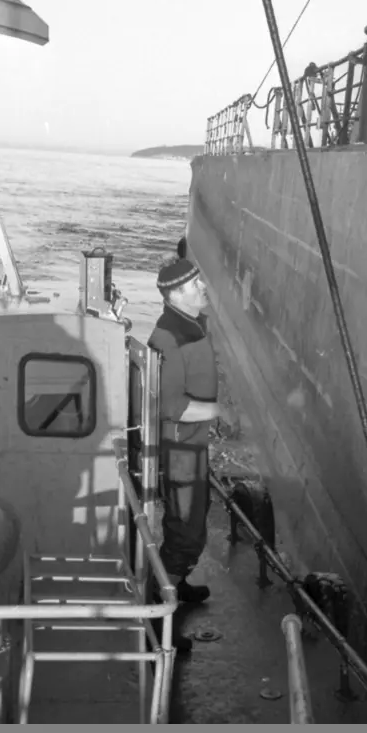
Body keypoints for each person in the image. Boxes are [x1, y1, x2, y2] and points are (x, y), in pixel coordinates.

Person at [148, 254, 225, 652]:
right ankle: (159, 606)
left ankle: (177, 581)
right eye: (196, 285)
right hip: (181, 450)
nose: (203, 288)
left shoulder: (193, 324)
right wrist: (220, 410)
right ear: (177, 293)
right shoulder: (167, 337)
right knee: (185, 531)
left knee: (195, 515)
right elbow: (170, 406)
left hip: (194, 445)